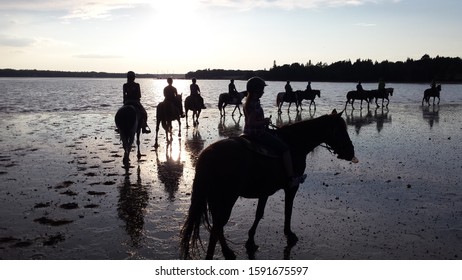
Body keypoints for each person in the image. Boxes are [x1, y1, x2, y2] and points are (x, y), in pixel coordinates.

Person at [243, 77, 306, 188]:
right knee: (285, 148)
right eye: (262, 89)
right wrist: (265, 121)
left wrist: (264, 122)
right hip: (257, 133)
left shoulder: (249, 102)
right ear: (256, 89)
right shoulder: (253, 103)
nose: (263, 91)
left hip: (251, 132)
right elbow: (251, 122)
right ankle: (291, 178)